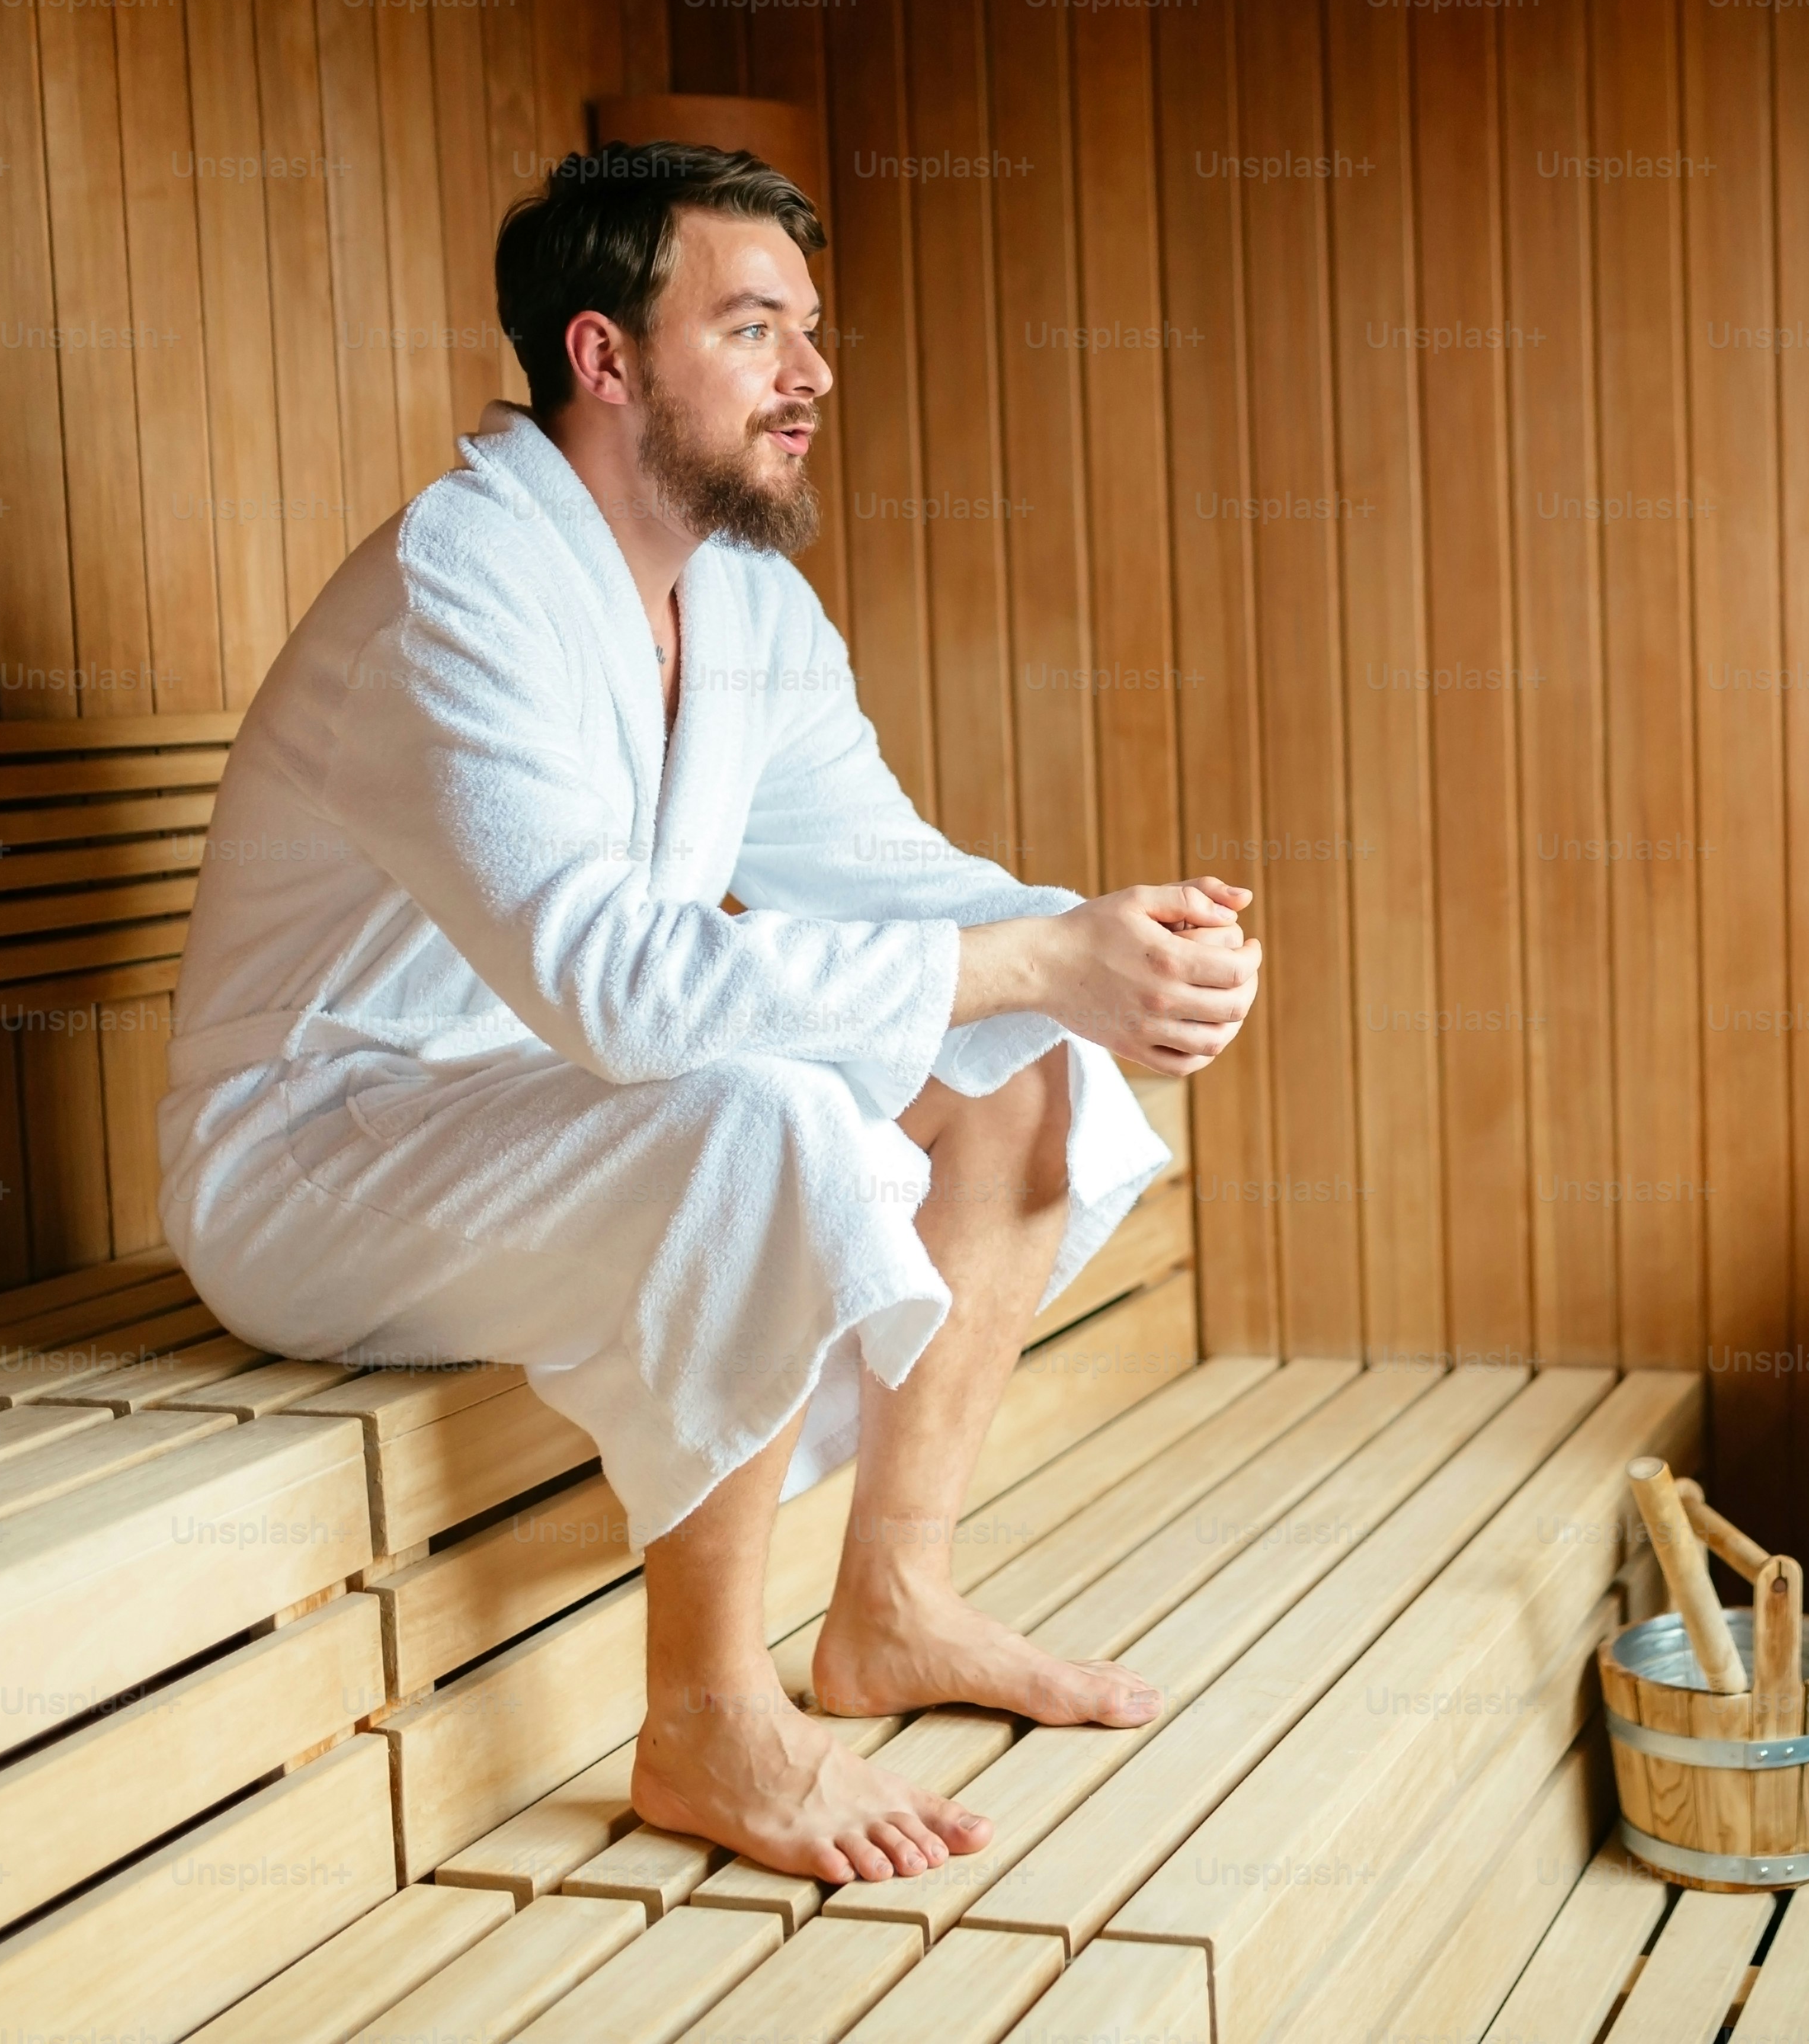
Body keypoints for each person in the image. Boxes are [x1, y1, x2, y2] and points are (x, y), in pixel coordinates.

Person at [157, 143, 1261, 1886]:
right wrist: (1039, 957)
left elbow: (885, 876)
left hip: (545, 1121)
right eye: (754, 331)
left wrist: (1106, 947)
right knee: (766, 1107)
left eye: (808, 332)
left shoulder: (742, 600)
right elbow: (616, 983)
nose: (812, 375)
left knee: (1013, 1055)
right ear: (605, 360)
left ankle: (892, 1600)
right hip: (319, 1159)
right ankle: (704, 1719)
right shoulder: (461, 586)